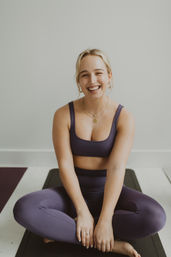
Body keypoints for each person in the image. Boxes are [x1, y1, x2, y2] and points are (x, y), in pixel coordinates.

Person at [13, 48, 166, 257]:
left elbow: (116, 167)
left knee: (155, 217)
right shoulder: (63, 115)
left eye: (98, 72)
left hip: (110, 192)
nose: (92, 80)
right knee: (24, 209)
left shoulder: (124, 117)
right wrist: (82, 210)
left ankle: (65, 230)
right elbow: (65, 165)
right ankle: (108, 243)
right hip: (72, 193)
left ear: (109, 76)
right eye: (84, 75)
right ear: (78, 81)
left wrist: (105, 219)